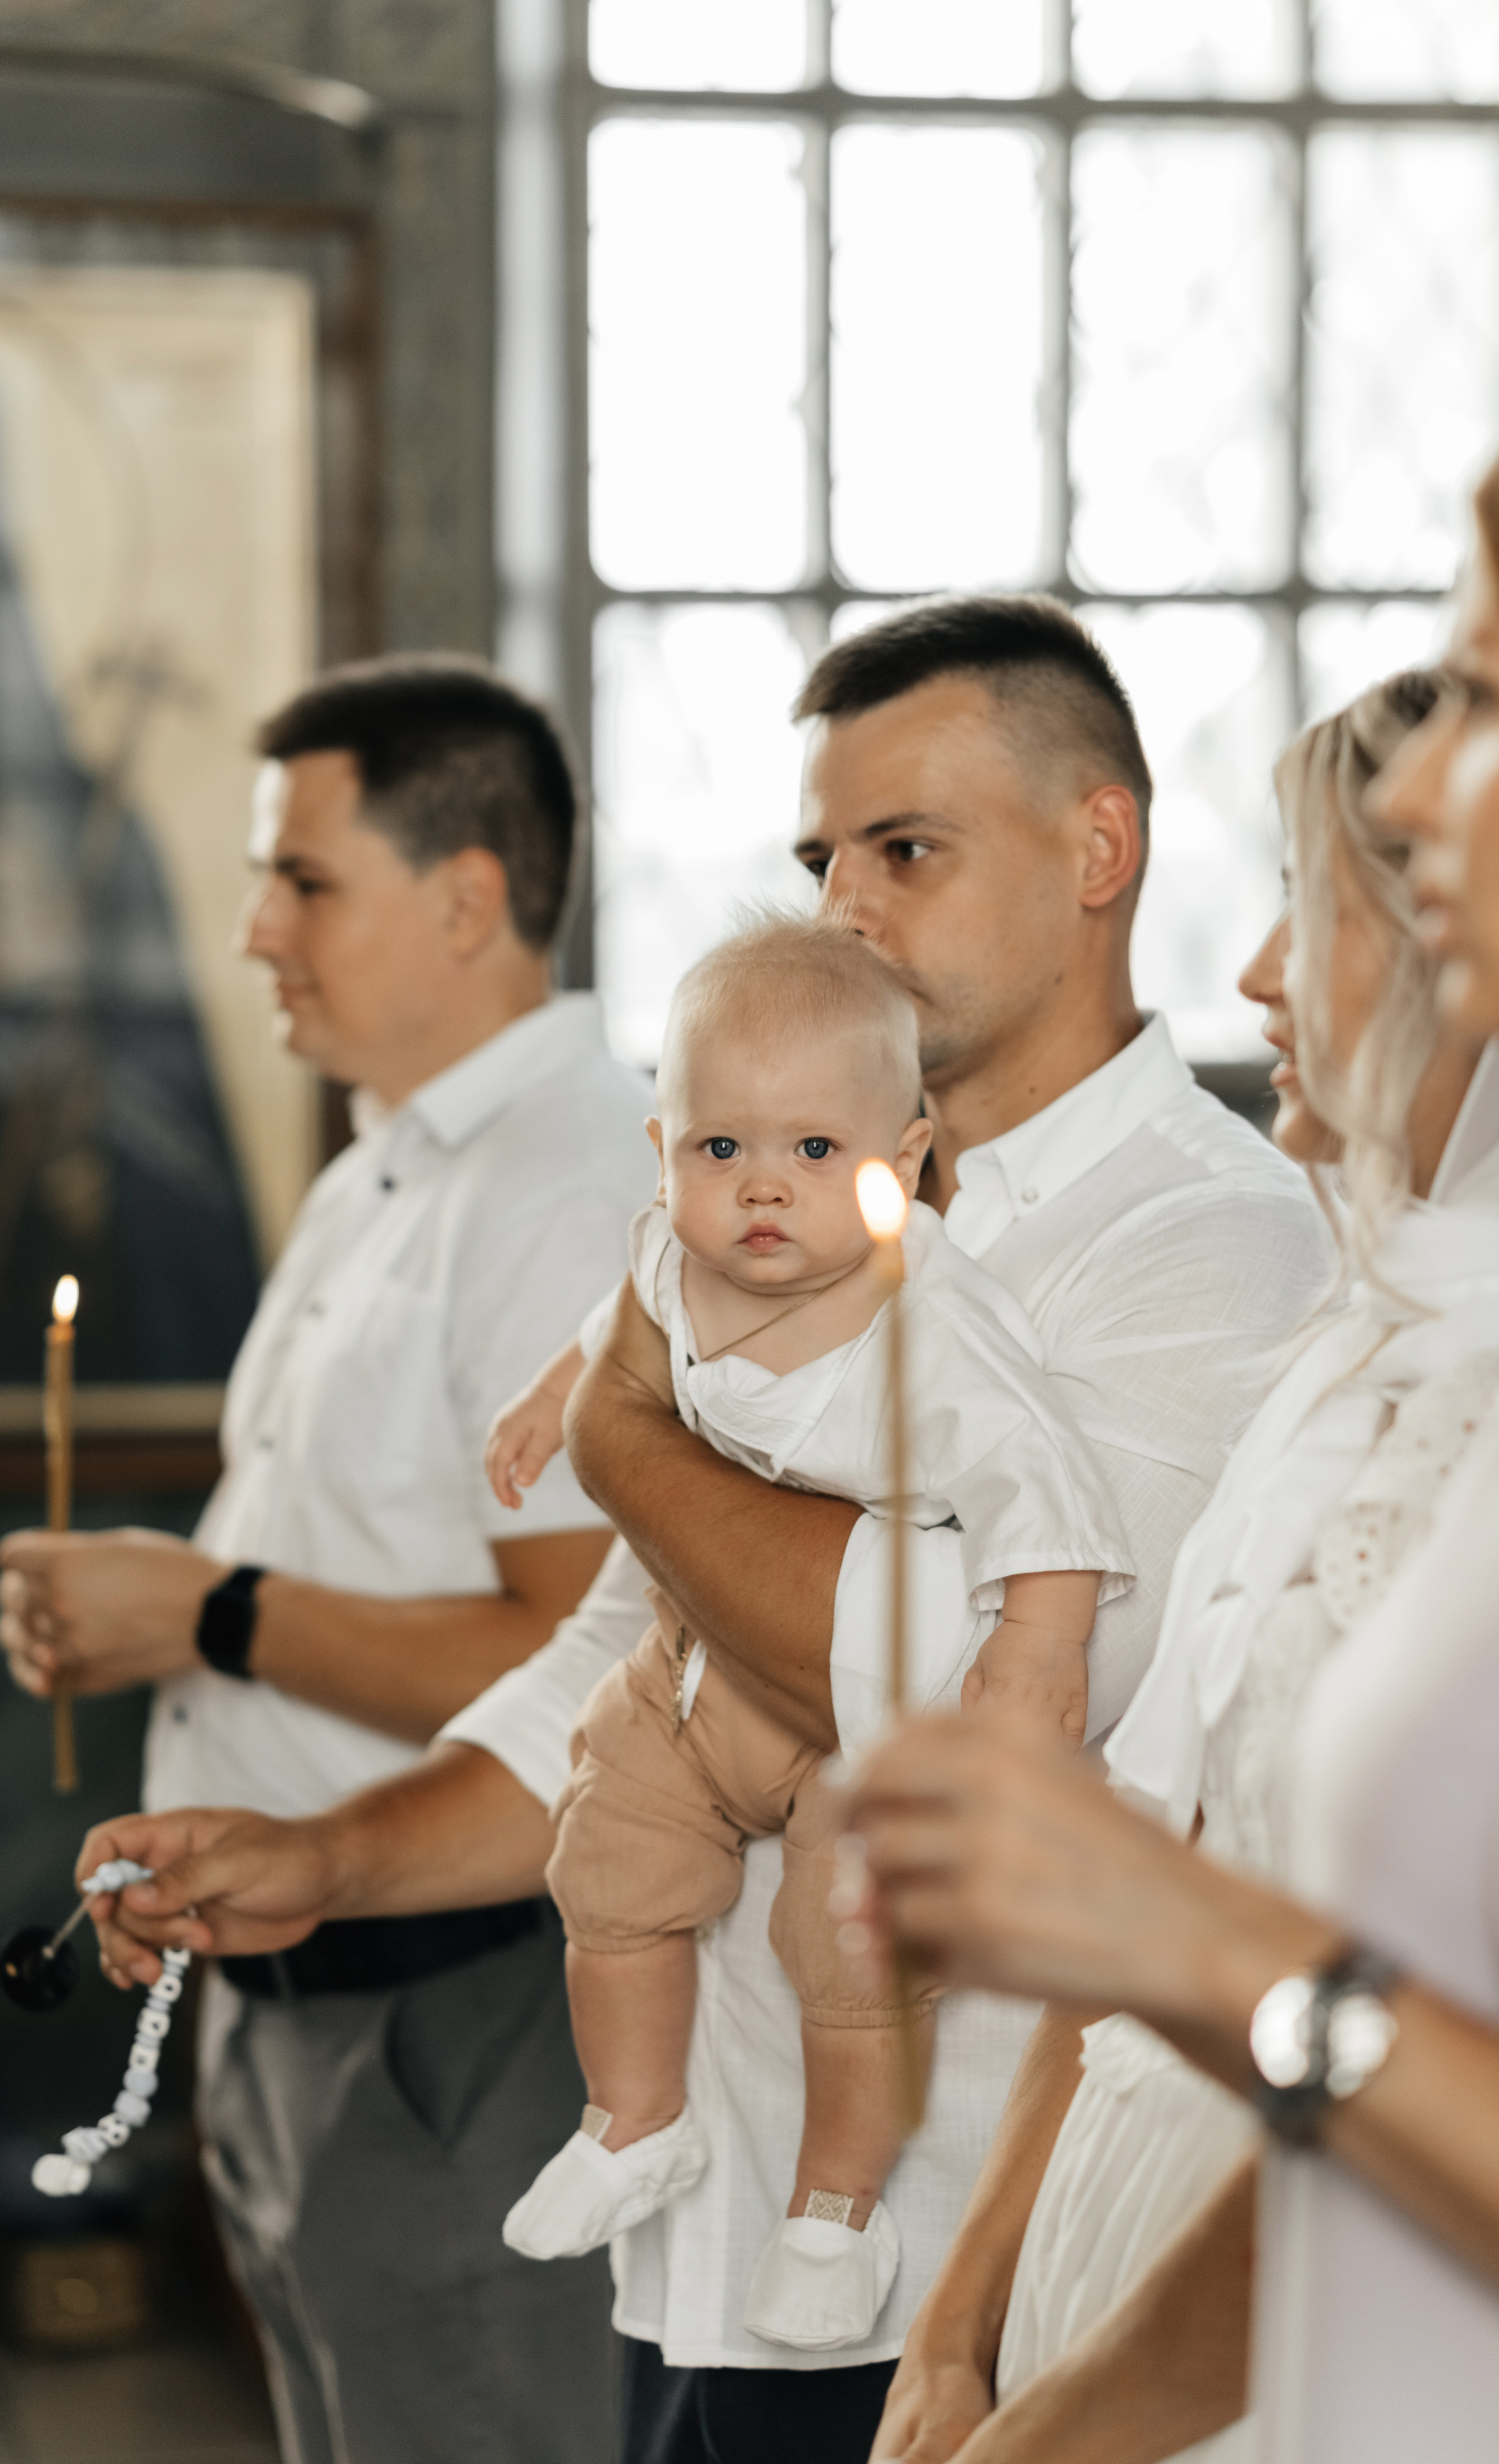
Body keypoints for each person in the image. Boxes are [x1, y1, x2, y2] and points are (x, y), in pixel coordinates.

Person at [75, 596, 1333, 2464]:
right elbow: (628, 1658)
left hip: (962, 2295)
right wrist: (331, 1855)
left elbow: (958, 1684)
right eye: (822, 861)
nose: (848, 911)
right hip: (702, 2246)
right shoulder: (783, 1214)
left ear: (1099, 848)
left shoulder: (1211, 1242)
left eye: (906, 850)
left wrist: (617, 1426)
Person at [844, 395, 1499, 2464]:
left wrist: (1198, 1941)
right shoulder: (1478, 1338)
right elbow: (1400, 2071)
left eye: (1496, 697)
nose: (1418, 784)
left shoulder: (1496, 1346)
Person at [0, 657, 654, 2464]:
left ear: (465, 897)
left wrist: (205, 1614)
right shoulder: (388, 1168)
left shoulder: (564, 1181)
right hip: (290, 1980)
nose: (252, 933)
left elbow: (590, 1662)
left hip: (458, 2001)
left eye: (302, 879)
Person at [494, 911, 1129, 2355]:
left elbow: (1036, 1478)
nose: (763, 1189)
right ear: (661, 1152)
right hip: (696, 1671)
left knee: (850, 1942)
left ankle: (834, 2210)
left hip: (861, 1723)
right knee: (609, 1846)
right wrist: (550, 1400)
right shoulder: (675, 1259)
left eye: (815, 1151)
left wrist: (1039, 1640)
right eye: (719, 1149)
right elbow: (618, 1320)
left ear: (905, 1161)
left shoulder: (926, 1316)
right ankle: (633, 2118)